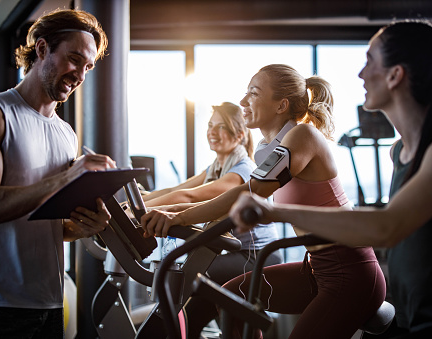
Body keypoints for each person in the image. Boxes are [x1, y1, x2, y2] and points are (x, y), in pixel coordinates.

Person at [229, 21, 432, 338]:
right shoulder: (401, 153)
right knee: (233, 296)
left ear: (395, 75)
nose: (360, 74)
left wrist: (273, 211)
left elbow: (387, 227)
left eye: (370, 61)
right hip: (410, 315)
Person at [142, 64, 386, 338]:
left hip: (350, 274)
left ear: (281, 105)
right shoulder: (274, 147)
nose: (244, 101)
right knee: (231, 298)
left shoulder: (303, 136)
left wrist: (176, 217)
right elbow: (229, 197)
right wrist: (165, 211)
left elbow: (251, 192)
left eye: (253, 94)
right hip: (315, 269)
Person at [0, 9, 114, 339]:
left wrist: (81, 228)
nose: (80, 75)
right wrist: (67, 178)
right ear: (41, 50)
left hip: (50, 303)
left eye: (88, 67)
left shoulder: (66, 133)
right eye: (73, 59)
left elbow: (46, 225)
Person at [143, 102, 281, 338]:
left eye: (222, 127)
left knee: (189, 278)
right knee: (192, 314)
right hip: (239, 254)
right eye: (210, 125)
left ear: (239, 135)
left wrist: (142, 208)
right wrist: (137, 199)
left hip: (257, 257)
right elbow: (179, 188)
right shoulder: (217, 167)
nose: (212, 132)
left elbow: (190, 196)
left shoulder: (241, 171)